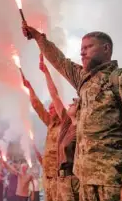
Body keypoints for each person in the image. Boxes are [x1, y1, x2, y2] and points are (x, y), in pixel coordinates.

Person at [22, 24, 122, 201]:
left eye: (88, 47)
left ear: (106, 48)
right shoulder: (83, 81)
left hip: (114, 183)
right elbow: (60, 61)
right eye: (81, 49)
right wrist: (39, 38)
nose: (82, 53)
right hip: (85, 184)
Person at [39, 55, 80, 201]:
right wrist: (46, 73)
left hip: (75, 180)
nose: (70, 104)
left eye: (74, 103)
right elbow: (54, 95)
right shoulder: (67, 124)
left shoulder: (83, 127)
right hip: (61, 180)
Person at [23, 75, 60, 201]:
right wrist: (29, 88)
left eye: (52, 108)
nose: (49, 111)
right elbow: (37, 106)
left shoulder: (66, 124)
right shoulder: (51, 124)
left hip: (60, 178)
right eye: (49, 109)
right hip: (47, 177)